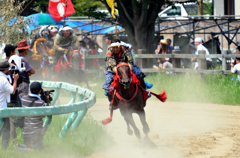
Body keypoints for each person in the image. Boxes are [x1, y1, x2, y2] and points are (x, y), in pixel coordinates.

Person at [102, 39, 152, 108]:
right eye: (114, 48)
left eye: (117, 47)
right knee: (107, 85)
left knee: (140, 74)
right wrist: (118, 71)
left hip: (128, 67)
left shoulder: (125, 49)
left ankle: (145, 90)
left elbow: (130, 61)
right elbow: (112, 65)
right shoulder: (109, 53)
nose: (115, 49)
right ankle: (111, 103)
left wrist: (128, 70)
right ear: (111, 48)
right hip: (113, 69)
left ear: (120, 46)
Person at [21, 82, 49, 150]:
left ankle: (24, 149)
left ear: (30, 89)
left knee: (28, 147)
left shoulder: (23, 99)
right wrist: (47, 102)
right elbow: (44, 115)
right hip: (36, 131)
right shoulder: (41, 102)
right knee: (37, 150)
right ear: (40, 91)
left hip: (26, 131)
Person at [4, 45, 23, 142]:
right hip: (11, 99)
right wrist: (16, 77)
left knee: (10, 121)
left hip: (9, 98)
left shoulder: (5, 69)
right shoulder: (9, 73)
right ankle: (13, 140)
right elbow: (13, 89)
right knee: (11, 121)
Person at [0, 59, 19, 149]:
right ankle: (5, 148)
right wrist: (15, 80)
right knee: (6, 128)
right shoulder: (3, 80)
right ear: (6, 69)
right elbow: (12, 91)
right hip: (2, 109)